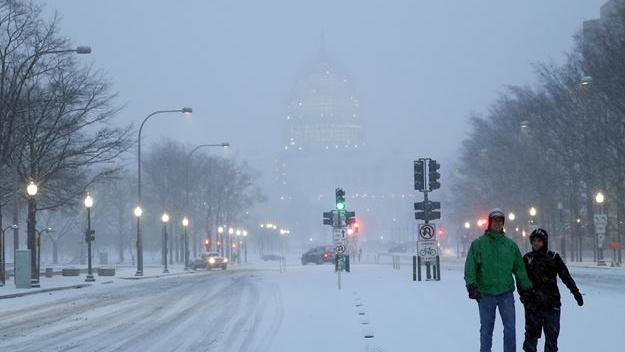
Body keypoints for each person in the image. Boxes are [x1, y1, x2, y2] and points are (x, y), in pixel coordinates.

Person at [464, 208, 533, 352]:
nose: (497, 223)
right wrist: (471, 285)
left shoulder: (510, 246)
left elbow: (519, 269)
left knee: (510, 329)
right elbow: (470, 267)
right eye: (495, 220)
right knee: (486, 329)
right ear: (489, 223)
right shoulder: (478, 244)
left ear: (503, 223)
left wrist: (526, 288)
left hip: (505, 294)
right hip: (485, 294)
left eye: (500, 221)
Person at [521, 228, 584, 352]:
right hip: (533, 305)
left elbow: (565, 276)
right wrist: (524, 296)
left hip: (551, 304)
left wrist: (575, 292)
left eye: (539, 240)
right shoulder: (527, 258)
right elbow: (521, 279)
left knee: (551, 339)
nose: (536, 243)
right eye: (534, 240)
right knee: (530, 339)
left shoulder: (553, 257)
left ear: (544, 242)